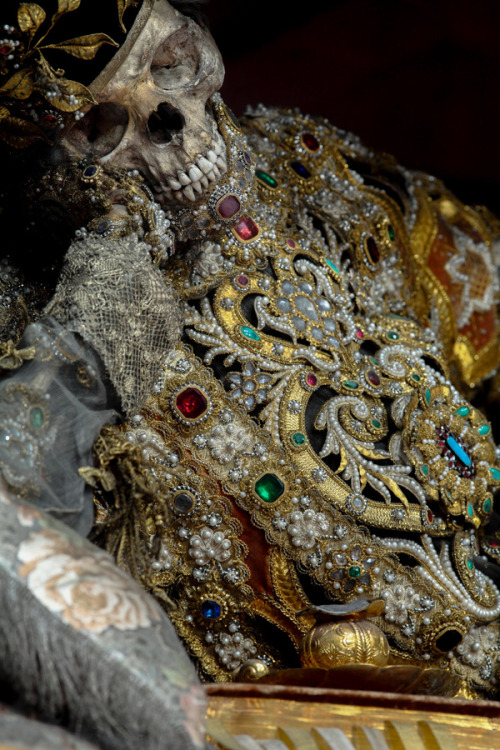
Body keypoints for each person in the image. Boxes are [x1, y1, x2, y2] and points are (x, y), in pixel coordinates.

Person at [1, 0, 500, 745]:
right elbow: (26, 547)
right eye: (99, 128)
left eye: (170, 65)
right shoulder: (36, 320)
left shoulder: (331, 185)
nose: (169, 125)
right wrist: (82, 364)